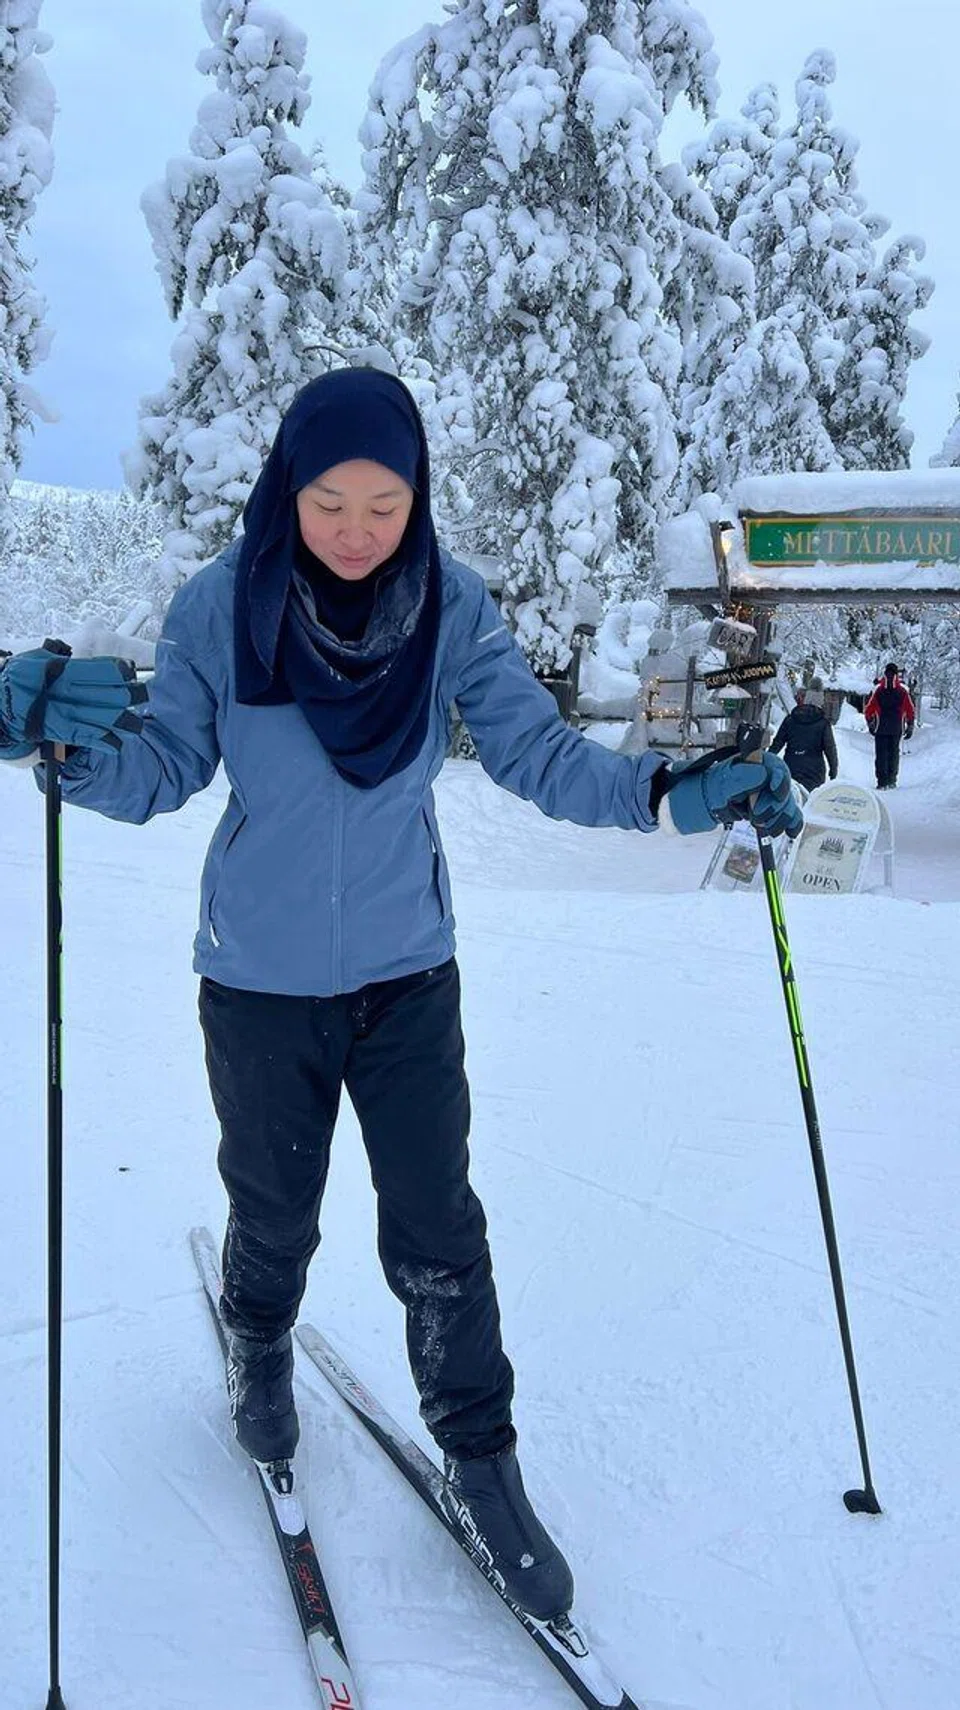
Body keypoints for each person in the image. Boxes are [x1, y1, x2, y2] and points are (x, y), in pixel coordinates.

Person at [0, 367, 801, 1621]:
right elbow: (163, 770)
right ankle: (259, 1345)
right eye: (328, 501)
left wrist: (667, 794)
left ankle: (482, 1462)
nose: (357, 530)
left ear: (417, 495)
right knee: (275, 1213)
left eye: (385, 501)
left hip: (406, 978)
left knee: (439, 1230)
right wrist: (70, 755)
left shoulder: (452, 609)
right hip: (257, 985)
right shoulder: (220, 607)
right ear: (288, 489)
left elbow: (538, 755)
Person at [769, 677, 838, 793]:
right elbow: (830, 748)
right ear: (821, 700)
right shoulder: (823, 723)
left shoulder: (791, 719)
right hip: (815, 771)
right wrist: (833, 769)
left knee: (791, 798)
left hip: (791, 766)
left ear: (806, 698)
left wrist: (768, 759)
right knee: (810, 805)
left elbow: (778, 742)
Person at [863, 662, 915, 789]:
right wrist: (910, 725)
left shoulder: (879, 690)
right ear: (897, 674)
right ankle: (892, 780)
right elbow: (910, 709)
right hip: (897, 728)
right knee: (894, 754)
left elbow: (868, 709)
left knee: (881, 754)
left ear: (885, 673)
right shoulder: (903, 692)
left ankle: (882, 782)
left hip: (880, 728)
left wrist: (870, 723)